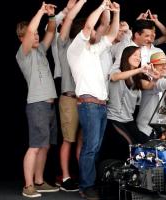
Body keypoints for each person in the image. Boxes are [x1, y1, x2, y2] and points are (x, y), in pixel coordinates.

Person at [66, 0, 119, 198]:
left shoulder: (94, 50)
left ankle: (90, 183)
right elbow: (90, 26)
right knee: (90, 147)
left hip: (100, 105)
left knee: (95, 147)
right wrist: (100, 8)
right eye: (95, 31)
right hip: (88, 104)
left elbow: (112, 35)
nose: (99, 32)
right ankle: (86, 186)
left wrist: (116, 12)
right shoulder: (76, 48)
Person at [16, 2, 60, 198]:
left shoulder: (41, 50)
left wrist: (50, 16)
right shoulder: (23, 54)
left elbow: (50, 31)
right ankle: (28, 186)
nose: (35, 36)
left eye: (36, 34)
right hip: (37, 105)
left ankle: (39, 181)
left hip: (50, 105)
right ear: (22, 38)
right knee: (35, 146)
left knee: (45, 145)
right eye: (31, 34)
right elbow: (32, 29)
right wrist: (40, 11)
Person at [56, 0, 87, 192]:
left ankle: (84, 177)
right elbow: (67, 21)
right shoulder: (65, 44)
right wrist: (80, 3)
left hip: (86, 100)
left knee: (83, 142)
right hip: (69, 99)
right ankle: (66, 177)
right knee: (69, 139)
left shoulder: (89, 49)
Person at [103, 46, 152, 161]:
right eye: (135, 55)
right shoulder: (117, 71)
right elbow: (115, 77)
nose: (138, 58)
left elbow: (150, 86)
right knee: (130, 146)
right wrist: (140, 70)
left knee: (144, 143)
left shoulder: (136, 78)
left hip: (129, 120)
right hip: (114, 119)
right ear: (126, 56)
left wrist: (155, 78)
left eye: (139, 56)